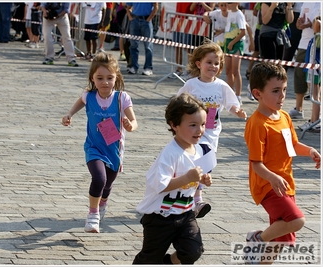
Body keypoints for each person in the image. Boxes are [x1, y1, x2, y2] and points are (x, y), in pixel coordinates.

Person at [244, 62, 321, 264]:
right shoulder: (257, 123)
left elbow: (292, 145)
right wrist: (273, 177)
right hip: (267, 185)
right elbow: (256, 163)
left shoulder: (284, 116)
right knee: (296, 220)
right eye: (276, 91)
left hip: (286, 184)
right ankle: (257, 238)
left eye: (285, 90)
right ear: (257, 93)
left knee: (281, 240)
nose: (282, 96)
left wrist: (310, 151)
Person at [61, 52, 138, 233]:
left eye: (109, 78)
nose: (105, 82)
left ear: (116, 77)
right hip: (94, 147)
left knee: (108, 184)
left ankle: (102, 203)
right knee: (99, 178)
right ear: (92, 78)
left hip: (114, 150)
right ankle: (93, 214)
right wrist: (69, 114)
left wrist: (129, 125)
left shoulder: (122, 98)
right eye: (100, 78)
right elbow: (80, 102)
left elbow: (134, 122)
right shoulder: (89, 96)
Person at [132, 93, 212, 264]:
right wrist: (187, 178)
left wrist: (203, 179)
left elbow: (194, 177)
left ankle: (168, 263)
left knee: (193, 251)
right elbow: (161, 185)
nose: (199, 130)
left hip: (185, 213)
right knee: (150, 258)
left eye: (203, 124)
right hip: (159, 217)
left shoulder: (199, 150)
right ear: (174, 125)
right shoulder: (169, 154)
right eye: (193, 125)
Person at [177, 41, 247, 219]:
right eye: (209, 62)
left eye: (217, 63)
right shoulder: (191, 85)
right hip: (192, 134)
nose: (213, 66)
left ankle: (191, 198)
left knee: (204, 166)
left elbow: (231, 103)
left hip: (211, 135)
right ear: (199, 64)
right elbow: (178, 102)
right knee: (196, 165)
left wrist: (237, 111)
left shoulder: (221, 86)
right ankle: (197, 200)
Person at [288, 2, 321, 120]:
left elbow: (318, 24)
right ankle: (299, 109)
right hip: (304, 43)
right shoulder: (305, 3)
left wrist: (310, 24)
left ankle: (315, 118)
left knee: (315, 83)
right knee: (300, 75)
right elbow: (300, 22)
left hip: (317, 46)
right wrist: (299, 23)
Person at [298, 16, 321, 133]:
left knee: (315, 95)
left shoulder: (319, 37)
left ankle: (315, 121)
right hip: (312, 68)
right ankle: (313, 119)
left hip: (315, 69)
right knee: (315, 95)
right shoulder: (316, 37)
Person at [125, 2, 159, 76]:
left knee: (148, 46)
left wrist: (149, 18)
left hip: (146, 20)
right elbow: (128, 7)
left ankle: (148, 67)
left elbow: (156, 6)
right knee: (133, 45)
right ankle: (134, 66)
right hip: (135, 20)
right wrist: (130, 17)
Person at [41, 3, 79, 67]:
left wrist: (57, 16)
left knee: (67, 37)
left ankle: (71, 59)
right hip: (48, 17)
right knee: (47, 36)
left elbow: (66, 10)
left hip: (61, 16)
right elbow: (42, 5)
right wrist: (45, 11)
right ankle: (49, 57)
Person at [223, 2, 246, 104]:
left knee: (235, 71)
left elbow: (243, 31)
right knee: (228, 70)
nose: (228, 4)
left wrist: (232, 43)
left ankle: (238, 95)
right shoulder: (230, 13)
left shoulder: (239, 14)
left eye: (230, 3)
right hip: (228, 40)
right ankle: (230, 93)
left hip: (236, 43)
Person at [245, 2, 262, 81]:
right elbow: (254, 12)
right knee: (256, 51)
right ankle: (249, 70)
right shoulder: (260, 2)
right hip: (261, 28)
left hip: (270, 29)